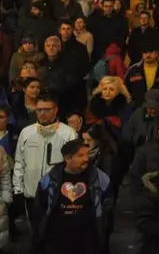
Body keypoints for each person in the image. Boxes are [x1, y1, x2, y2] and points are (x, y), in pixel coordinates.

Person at [33, 138, 112, 254]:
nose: (86, 159)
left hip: (89, 241)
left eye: (87, 154)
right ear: (68, 158)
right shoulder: (50, 180)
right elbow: (40, 210)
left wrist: (104, 233)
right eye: (80, 156)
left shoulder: (100, 178)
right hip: (57, 241)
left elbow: (107, 208)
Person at [13, 94, 77, 233]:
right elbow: (19, 162)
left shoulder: (68, 134)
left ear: (56, 110)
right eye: (39, 109)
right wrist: (18, 190)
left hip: (58, 194)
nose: (42, 113)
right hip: (32, 194)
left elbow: (74, 166)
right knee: (36, 232)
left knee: (57, 233)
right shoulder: (26, 132)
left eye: (47, 109)